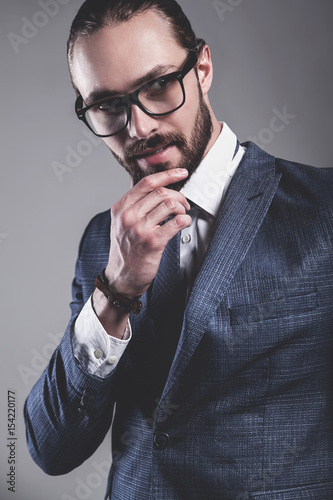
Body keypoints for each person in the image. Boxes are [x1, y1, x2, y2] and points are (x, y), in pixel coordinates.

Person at [24, 0, 333, 498]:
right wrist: (114, 294)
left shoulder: (323, 210)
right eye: (107, 105)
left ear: (202, 69)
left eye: (157, 86)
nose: (139, 127)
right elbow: (49, 447)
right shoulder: (102, 243)